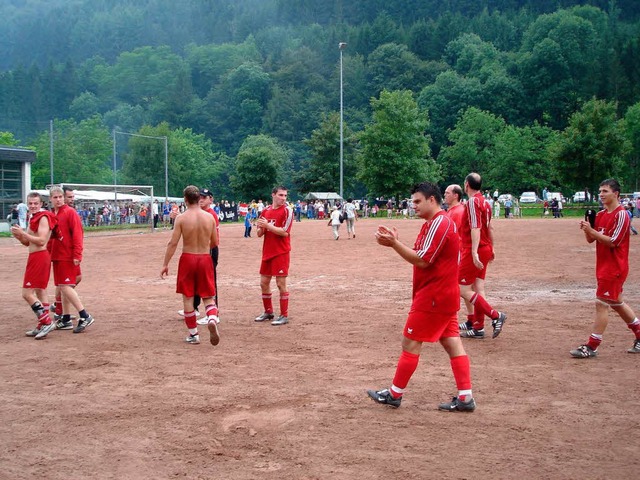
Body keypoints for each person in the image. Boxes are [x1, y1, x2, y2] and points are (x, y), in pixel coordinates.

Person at [367, 182, 476, 412]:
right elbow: (420, 254)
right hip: (441, 294)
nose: (413, 205)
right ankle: (466, 397)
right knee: (452, 342)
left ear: (432, 200)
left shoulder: (440, 223)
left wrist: (394, 244)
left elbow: (423, 260)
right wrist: (396, 241)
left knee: (410, 341)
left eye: (417, 201)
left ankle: (395, 394)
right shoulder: (432, 223)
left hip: (434, 296)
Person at [570, 179, 640, 357]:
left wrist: (592, 231)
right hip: (603, 266)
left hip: (614, 267)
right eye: (600, 191)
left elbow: (613, 242)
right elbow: (591, 240)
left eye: (605, 191)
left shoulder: (622, 214)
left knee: (601, 303)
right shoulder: (600, 214)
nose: (601, 194)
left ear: (616, 194)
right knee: (616, 302)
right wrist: (587, 228)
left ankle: (592, 345)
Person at [161, 186, 220, 346]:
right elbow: (215, 242)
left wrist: (165, 264)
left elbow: (173, 243)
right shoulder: (209, 218)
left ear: (185, 200)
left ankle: (194, 334)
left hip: (188, 258)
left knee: (188, 297)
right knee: (208, 296)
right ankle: (212, 318)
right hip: (205, 257)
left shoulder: (181, 218)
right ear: (198, 198)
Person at [457, 173, 506, 339]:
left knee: (462, 289)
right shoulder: (485, 202)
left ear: (466, 185)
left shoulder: (472, 202)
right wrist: (492, 247)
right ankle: (478, 327)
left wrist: (473, 251)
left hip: (474, 248)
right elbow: (489, 227)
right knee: (478, 288)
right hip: (485, 247)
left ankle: (495, 315)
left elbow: (476, 228)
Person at [11, 192, 58, 339]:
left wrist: (23, 234)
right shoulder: (33, 218)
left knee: (26, 293)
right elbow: (28, 243)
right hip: (35, 256)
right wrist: (19, 236)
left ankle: (46, 321)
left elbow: (41, 241)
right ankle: (41, 324)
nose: (33, 206)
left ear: (41, 204)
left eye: (35, 203)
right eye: (30, 203)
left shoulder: (43, 218)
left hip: (39, 257)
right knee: (40, 291)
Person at [48, 186, 94, 333]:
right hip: (57, 256)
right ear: (50, 199)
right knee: (63, 287)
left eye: (60, 197)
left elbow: (77, 235)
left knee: (66, 286)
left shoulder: (70, 212)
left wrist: (77, 255)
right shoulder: (51, 215)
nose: (58, 200)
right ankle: (66, 319)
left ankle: (84, 315)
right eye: (55, 197)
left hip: (67, 256)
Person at [254, 186, 293, 326]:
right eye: (281, 195)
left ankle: (284, 315)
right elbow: (259, 234)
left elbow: (284, 232)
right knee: (263, 283)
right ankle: (268, 312)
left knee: (280, 284)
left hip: (281, 252)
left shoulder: (287, 210)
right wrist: (261, 226)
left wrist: (268, 226)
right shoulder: (266, 211)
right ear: (273, 195)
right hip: (267, 252)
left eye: (285, 195)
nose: (283, 198)